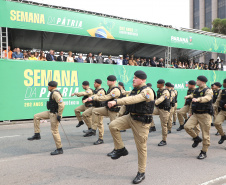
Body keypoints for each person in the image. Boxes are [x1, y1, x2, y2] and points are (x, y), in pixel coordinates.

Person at [107, 70, 154, 184]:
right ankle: (121, 149)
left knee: (141, 148)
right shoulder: (134, 90)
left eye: (136, 77)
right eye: (133, 77)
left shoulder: (147, 91)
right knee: (113, 125)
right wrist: (119, 115)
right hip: (131, 117)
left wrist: (116, 101)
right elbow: (127, 104)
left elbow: (133, 99)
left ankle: (141, 173)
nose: (133, 79)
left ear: (143, 80)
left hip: (141, 122)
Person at [27, 81, 65, 155]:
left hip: (55, 114)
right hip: (50, 112)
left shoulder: (55, 93)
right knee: (36, 116)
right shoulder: (54, 92)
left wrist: (59, 115)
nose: (48, 87)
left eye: (48, 86)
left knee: (54, 131)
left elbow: (62, 104)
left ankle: (59, 149)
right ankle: (37, 134)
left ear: (52, 87)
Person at [83, 75, 122, 144]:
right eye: (107, 80)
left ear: (113, 82)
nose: (107, 81)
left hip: (114, 111)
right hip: (107, 108)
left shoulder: (115, 90)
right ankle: (93, 130)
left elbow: (106, 97)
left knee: (113, 128)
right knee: (95, 111)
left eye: (109, 80)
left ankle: (119, 146)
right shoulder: (110, 89)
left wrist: (93, 98)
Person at [184, 75, 213, 159]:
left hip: (205, 115)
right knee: (187, 127)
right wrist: (188, 97)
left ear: (202, 82)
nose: (196, 82)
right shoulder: (196, 90)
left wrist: (199, 99)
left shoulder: (208, 90)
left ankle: (204, 151)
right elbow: (192, 95)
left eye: (197, 80)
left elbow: (207, 98)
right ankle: (196, 138)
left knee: (205, 135)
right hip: (196, 114)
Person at [82, 79, 106, 143]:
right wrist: (87, 99)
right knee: (84, 114)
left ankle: (101, 139)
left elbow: (96, 96)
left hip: (100, 108)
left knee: (100, 123)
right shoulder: (95, 90)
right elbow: (93, 95)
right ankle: (91, 129)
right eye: (94, 82)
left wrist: (88, 99)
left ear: (99, 84)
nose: (94, 83)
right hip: (94, 107)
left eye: (95, 83)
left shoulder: (101, 91)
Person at [153, 79, 170, 146]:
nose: (157, 84)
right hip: (158, 109)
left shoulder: (166, 92)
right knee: (147, 112)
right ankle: (152, 127)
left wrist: (154, 103)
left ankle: (164, 140)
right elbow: (157, 98)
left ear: (161, 84)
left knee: (164, 125)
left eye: (158, 83)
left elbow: (161, 99)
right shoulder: (159, 91)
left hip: (164, 110)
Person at [214, 79, 226, 147]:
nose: (223, 84)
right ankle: (223, 135)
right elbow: (218, 100)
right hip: (223, 111)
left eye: (223, 83)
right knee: (217, 123)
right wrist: (214, 106)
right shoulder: (222, 91)